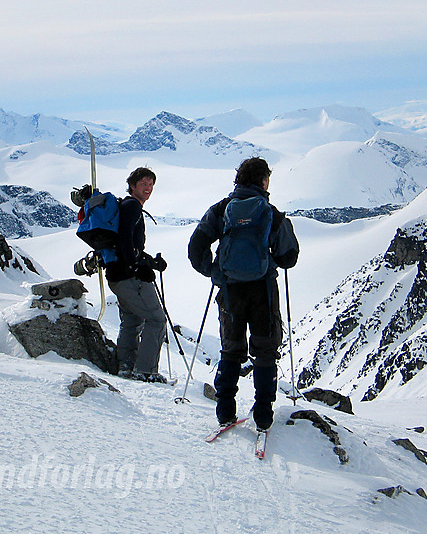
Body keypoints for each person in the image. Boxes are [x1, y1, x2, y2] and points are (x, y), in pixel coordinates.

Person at [188, 157, 299, 430]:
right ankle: (263, 413)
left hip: (230, 290)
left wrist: (215, 272)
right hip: (263, 291)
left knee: (231, 349)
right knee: (264, 350)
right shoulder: (270, 211)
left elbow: (196, 245)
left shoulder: (222, 209)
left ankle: (225, 410)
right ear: (263, 180)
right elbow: (288, 257)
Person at [106, 167, 168, 383]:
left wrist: (150, 262)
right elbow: (124, 240)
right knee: (157, 320)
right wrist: (136, 266)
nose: (148, 188)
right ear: (132, 185)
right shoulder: (132, 206)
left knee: (132, 320)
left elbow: (128, 244)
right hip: (128, 276)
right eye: (144, 183)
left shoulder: (126, 206)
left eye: (151, 184)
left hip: (116, 275)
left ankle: (126, 366)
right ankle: (145, 370)